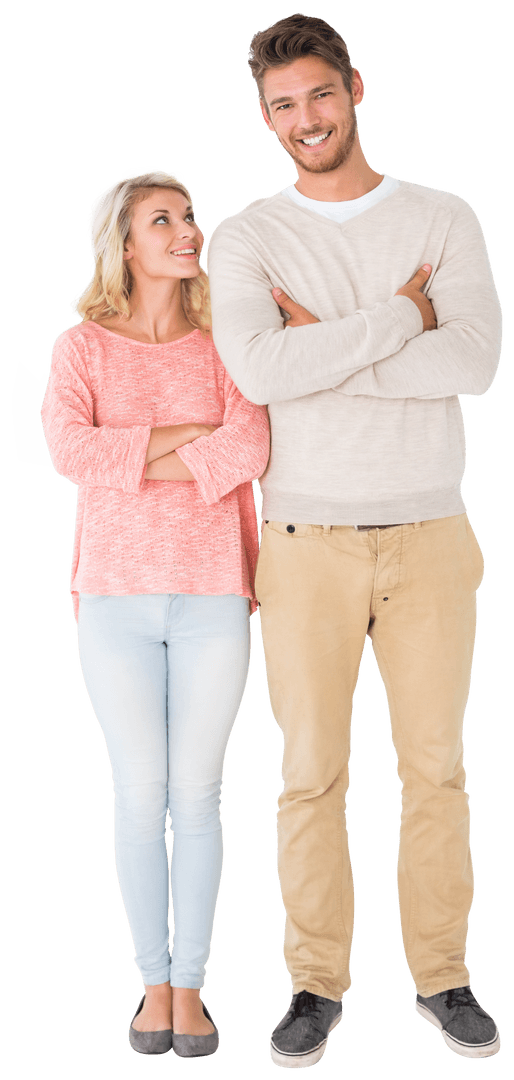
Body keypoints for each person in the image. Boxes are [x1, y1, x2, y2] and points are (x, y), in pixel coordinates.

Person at [207, 13, 503, 1069]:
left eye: (318, 96)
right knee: (309, 773)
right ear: (264, 116)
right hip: (303, 541)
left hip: (430, 532)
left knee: (435, 768)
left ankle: (442, 976)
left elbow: (471, 366)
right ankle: (314, 983)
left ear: (355, 88)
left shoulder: (441, 216)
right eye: (281, 106)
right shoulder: (245, 235)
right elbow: (258, 375)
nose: (304, 120)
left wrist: (321, 347)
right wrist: (399, 319)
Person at [40, 166, 269, 1059]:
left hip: (215, 591)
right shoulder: (82, 348)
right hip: (113, 598)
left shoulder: (225, 344)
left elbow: (249, 445)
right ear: (125, 246)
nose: (187, 230)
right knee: (139, 791)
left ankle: (194, 987)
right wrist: (182, 438)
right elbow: (69, 450)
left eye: (189, 216)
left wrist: (132, 453)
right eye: (163, 220)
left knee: (200, 791)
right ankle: (150, 985)